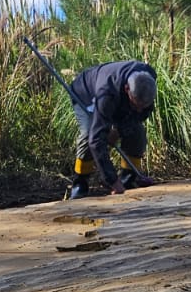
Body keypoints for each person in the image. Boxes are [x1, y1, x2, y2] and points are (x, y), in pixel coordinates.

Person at [67, 59, 159, 199]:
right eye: (136, 104)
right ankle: (80, 183)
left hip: (120, 98)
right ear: (127, 89)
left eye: (144, 105)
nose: (139, 109)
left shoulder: (148, 78)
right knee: (89, 134)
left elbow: (140, 114)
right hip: (86, 93)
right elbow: (96, 140)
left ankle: (128, 177)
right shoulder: (107, 93)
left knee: (137, 131)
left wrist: (119, 130)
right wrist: (111, 179)